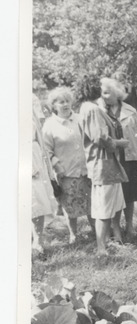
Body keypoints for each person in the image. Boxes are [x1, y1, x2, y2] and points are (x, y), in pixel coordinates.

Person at [77, 77, 130, 255]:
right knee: (104, 207)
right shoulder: (92, 109)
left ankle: (107, 241)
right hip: (102, 163)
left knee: (110, 205)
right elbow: (100, 137)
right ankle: (101, 247)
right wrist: (120, 143)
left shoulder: (87, 108)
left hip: (105, 163)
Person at [42, 87, 92, 245]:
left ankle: (96, 231)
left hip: (86, 169)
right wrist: (57, 166)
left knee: (91, 201)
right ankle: (74, 235)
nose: (65, 104)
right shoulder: (50, 125)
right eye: (60, 102)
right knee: (69, 204)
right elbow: (46, 151)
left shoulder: (80, 119)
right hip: (66, 171)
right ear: (54, 105)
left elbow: (90, 140)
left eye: (67, 101)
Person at [102, 78, 137, 237]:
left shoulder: (130, 110)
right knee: (114, 195)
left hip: (130, 158)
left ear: (117, 93)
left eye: (107, 92)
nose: (104, 96)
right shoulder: (100, 111)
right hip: (111, 160)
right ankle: (115, 228)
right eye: (103, 92)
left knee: (129, 194)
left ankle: (130, 226)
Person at [32, 111, 59, 257]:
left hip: (33, 156)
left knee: (38, 199)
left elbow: (39, 138)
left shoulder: (28, 107)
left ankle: (37, 240)